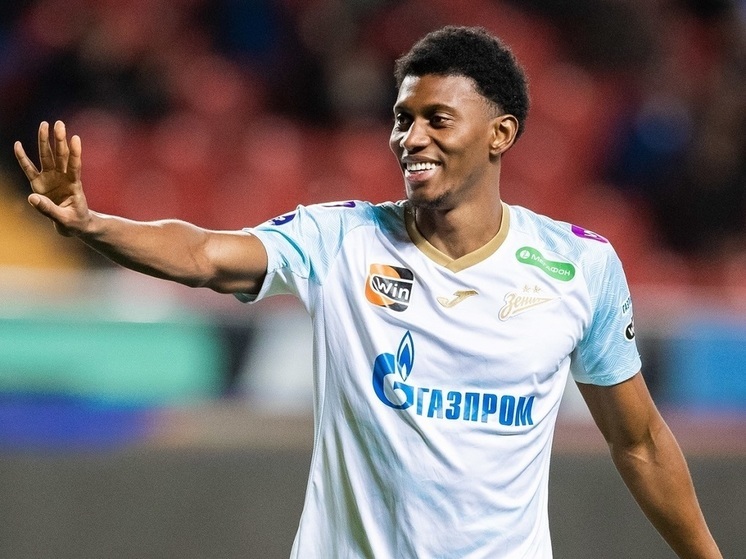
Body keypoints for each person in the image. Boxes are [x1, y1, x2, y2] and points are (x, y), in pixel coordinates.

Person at [14, 25, 721, 559]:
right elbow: (203, 254)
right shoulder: (340, 239)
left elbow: (639, 442)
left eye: (437, 118)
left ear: (500, 134)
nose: (411, 137)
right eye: (403, 118)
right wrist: (93, 225)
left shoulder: (580, 268)